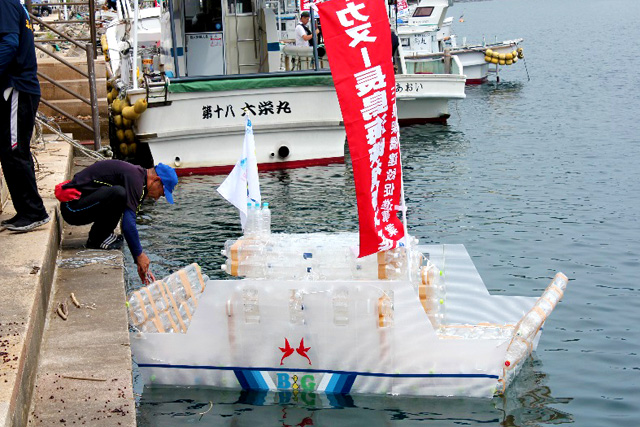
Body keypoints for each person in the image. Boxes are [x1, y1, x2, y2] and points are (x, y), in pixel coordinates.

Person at [54, 160, 178, 283]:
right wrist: (139, 255)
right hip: (72, 208)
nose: (156, 198)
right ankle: (98, 239)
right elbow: (128, 224)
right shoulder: (135, 180)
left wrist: (139, 261)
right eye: (161, 193)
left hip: (78, 204)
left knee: (121, 196)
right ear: (156, 180)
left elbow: (130, 219)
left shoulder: (138, 178)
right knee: (119, 194)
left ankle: (100, 236)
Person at [0, 0, 51, 232]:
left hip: (17, 87)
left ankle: (34, 212)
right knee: (11, 151)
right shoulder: (15, 4)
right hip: (20, 88)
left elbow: (9, 43)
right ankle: (25, 211)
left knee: (15, 150)